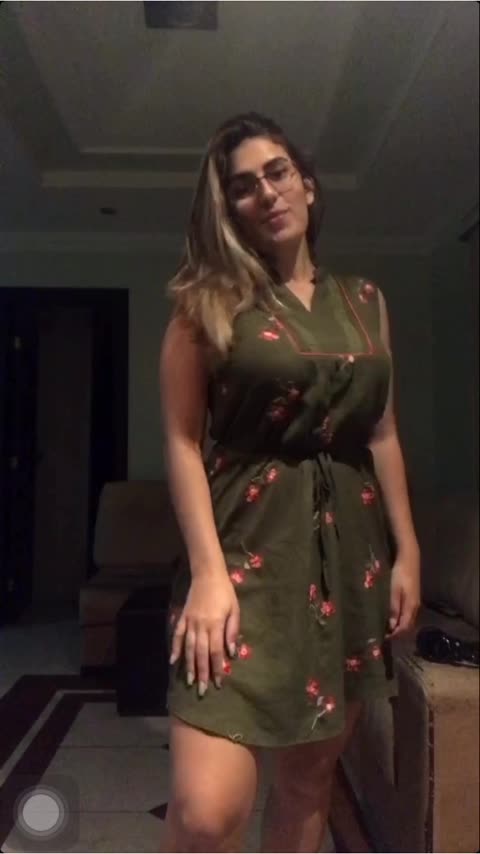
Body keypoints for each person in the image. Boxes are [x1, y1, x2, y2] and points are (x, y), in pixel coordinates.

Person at [159, 112, 420, 853]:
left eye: (277, 172)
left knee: (309, 783)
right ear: (229, 209)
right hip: (243, 551)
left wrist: (407, 551)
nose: (266, 193)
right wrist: (208, 573)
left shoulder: (366, 301)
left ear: (307, 183)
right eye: (243, 186)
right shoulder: (204, 302)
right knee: (208, 811)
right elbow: (182, 440)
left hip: (348, 558)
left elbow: (382, 432)